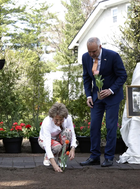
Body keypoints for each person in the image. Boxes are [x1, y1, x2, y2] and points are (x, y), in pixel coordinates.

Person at [80, 37, 127, 167]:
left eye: (94, 52)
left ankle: (109, 157)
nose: (91, 54)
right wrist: (88, 95)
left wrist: (111, 90)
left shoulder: (113, 56)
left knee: (110, 126)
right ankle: (94, 156)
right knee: (94, 126)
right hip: (96, 98)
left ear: (100, 47)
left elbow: (122, 75)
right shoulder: (86, 57)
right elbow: (86, 77)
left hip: (112, 97)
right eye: (89, 51)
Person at [38, 103, 78, 173]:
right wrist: (54, 165)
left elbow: (72, 134)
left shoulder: (68, 118)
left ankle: (61, 157)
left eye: (61, 120)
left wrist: (73, 148)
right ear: (52, 117)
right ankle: (48, 156)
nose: (59, 122)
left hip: (60, 138)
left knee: (68, 132)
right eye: (56, 120)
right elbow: (47, 144)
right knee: (57, 146)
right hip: (45, 140)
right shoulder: (47, 122)